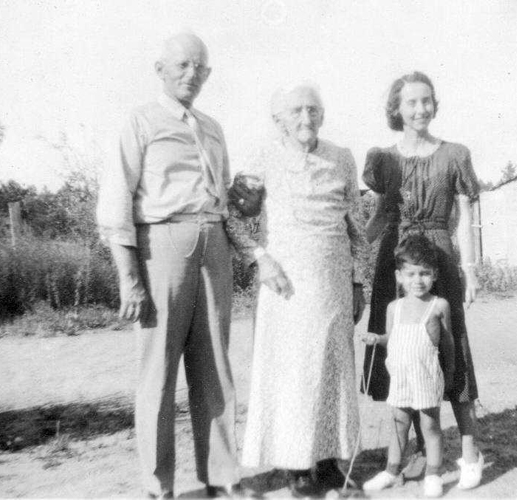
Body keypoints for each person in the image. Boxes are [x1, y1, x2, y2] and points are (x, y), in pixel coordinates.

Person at [96, 33, 248, 498]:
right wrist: (129, 280)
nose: (191, 74)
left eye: (200, 67)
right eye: (182, 65)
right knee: (158, 373)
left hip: (213, 245)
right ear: (159, 68)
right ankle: (158, 486)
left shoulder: (213, 127)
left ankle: (221, 478)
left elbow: (223, 196)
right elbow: (115, 203)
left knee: (215, 368)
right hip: (160, 247)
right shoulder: (140, 121)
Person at [226, 82, 367, 497]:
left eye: (314, 110)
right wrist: (259, 258)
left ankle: (328, 463)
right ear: (278, 120)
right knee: (293, 373)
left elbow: (356, 227)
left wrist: (358, 280)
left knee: (332, 370)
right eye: (296, 111)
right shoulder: (262, 156)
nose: (306, 118)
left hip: (334, 282)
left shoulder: (341, 158)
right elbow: (231, 217)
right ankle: (296, 467)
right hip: (284, 284)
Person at [361, 71, 484, 489]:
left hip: (439, 261)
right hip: (393, 264)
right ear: (396, 108)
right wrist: (349, 253)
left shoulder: (454, 155)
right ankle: (409, 454)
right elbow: (379, 217)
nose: (420, 109)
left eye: (426, 101)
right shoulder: (383, 158)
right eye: (411, 102)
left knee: (451, 349)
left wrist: (470, 270)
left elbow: (465, 219)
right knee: (403, 356)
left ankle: (470, 449)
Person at [361, 235, 454, 498]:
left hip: (426, 377)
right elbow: (392, 338)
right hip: (400, 376)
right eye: (411, 274)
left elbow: (448, 344)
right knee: (399, 423)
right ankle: (391, 471)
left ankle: (433, 474)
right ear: (399, 276)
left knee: (430, 426)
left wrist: (450, 373)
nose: (418, 280)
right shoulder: (394, 307)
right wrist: (376, 339)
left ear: (434, 275)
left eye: (424, 273)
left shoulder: (439, 306)